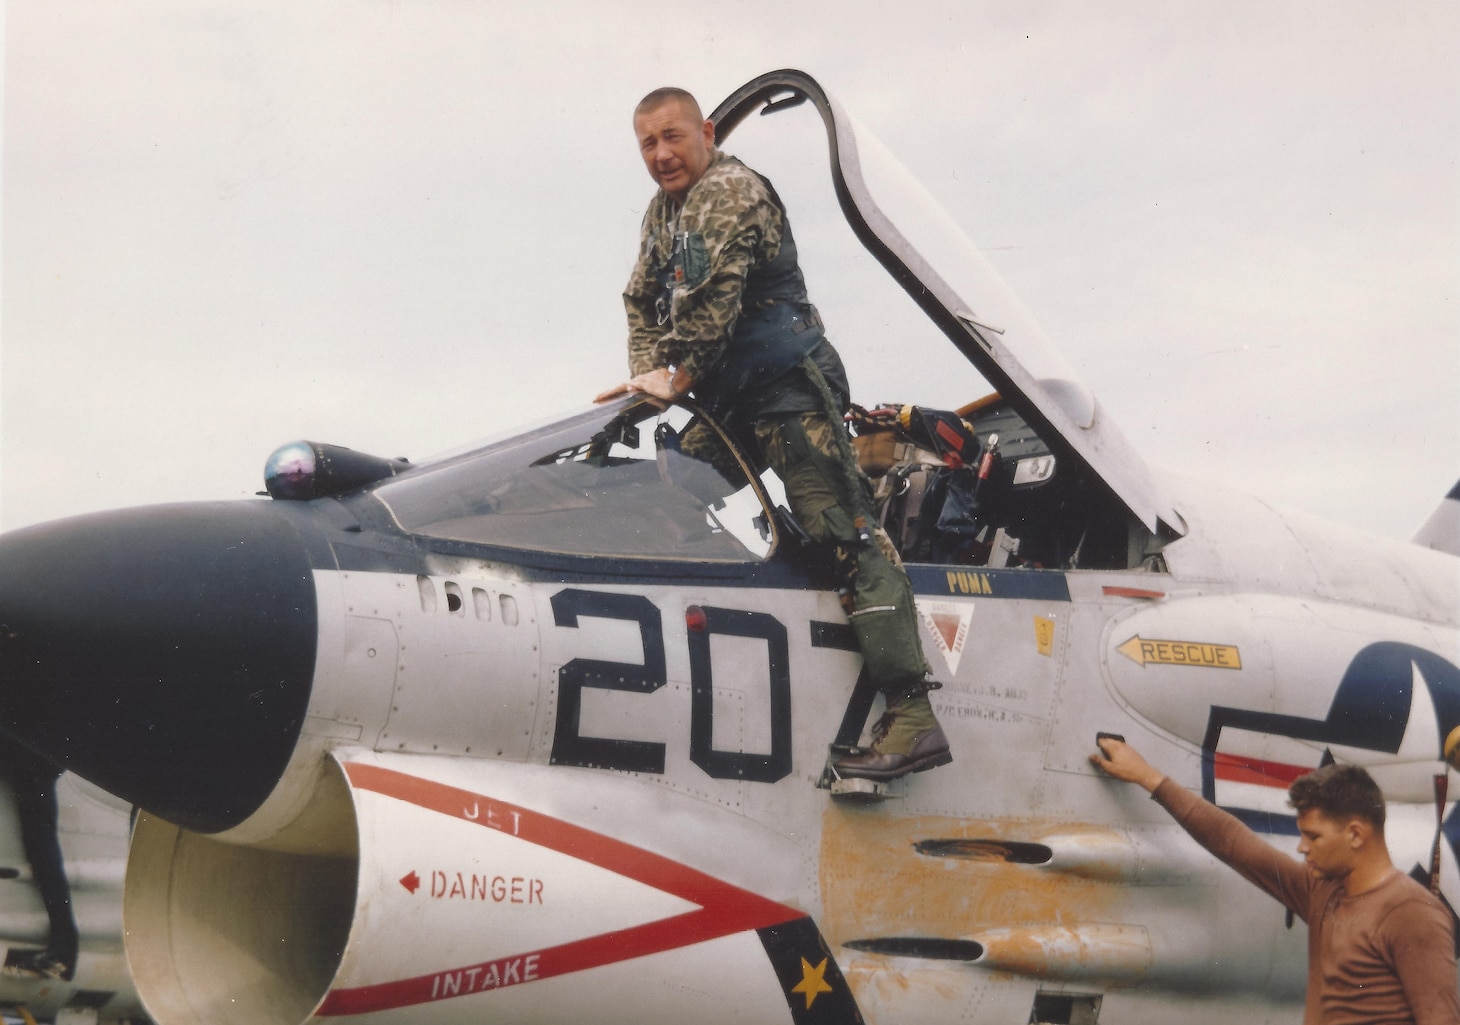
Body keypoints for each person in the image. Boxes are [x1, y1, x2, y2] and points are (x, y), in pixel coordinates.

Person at [595, 86, 950, 781]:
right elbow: (641, 297)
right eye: (647, 144)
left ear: (704, 132)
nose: (662, 155)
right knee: (675, 498)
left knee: (842, 530)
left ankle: (913, 716)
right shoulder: (664, 210)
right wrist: (651, 375)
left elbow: (709, 304)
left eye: (673, 137)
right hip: (731, 394)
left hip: (789, 387)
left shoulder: (729, 192)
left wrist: (678, 371)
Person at [1091, 736, 1460, 1025]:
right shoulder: (1322, 892)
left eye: (1313, 837)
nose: (1302, 848)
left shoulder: (1411, 913)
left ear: (1356, 834)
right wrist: (1149, 777)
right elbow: (1234, 844)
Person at [0, 742, 78, 981]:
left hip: (32, 752)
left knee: (41, 849)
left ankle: (65, 948)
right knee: (42, 850)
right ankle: (64, 947)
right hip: (39, 750)